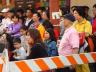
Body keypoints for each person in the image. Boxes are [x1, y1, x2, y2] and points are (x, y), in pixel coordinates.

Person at [73, 7, 91, 72]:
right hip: (76, 47)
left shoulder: (87, 23)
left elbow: (87, 34)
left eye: (75, 13)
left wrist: (77, 34)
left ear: (80, 14)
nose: (74, 15)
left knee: (84, 65)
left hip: (84, 47)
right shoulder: (74, 23)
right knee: (77, 65)